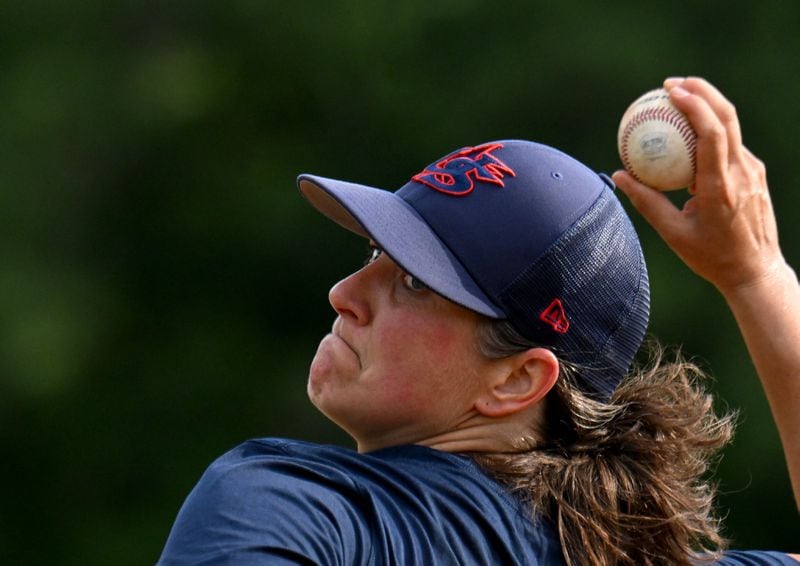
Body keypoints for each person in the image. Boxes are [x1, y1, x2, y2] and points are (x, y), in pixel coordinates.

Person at [157, 78, 799, 565]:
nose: (344, 293)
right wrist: (757, 277)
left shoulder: (295, 510)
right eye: (377, 254)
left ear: (518, 380)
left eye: (413, 281)